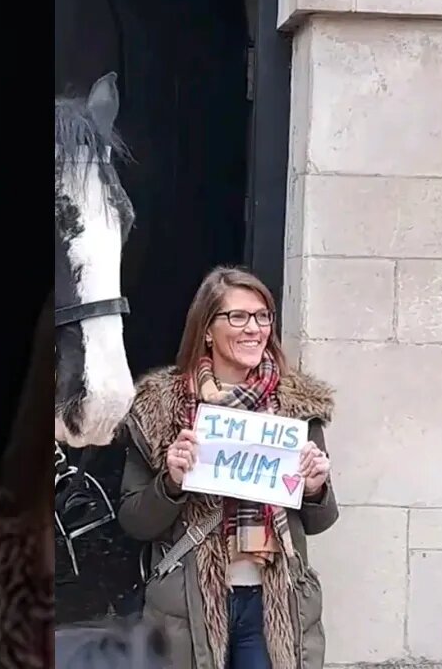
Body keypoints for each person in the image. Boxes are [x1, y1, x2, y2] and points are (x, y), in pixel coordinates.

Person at [116, 266, 339, 669]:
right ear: (206, 329)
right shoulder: (159, 408)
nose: (253, 328)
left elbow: (320, 520)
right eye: (238, 316)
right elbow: (134, 522)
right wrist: (171, 483)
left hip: (273, 607)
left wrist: (315, 488)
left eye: (262, 316)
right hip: (187, 609)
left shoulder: (296, 408)